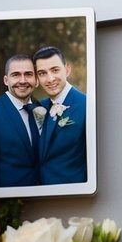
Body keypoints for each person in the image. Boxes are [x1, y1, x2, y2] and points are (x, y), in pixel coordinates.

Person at [33, 45, 88, 185]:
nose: (50, 79)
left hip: (74, 197)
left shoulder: (87, 105)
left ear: (67, 69)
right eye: (42, 73)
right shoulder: (37, 108)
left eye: (55, 70)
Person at [0, 53, 42, 188]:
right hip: (10, 197)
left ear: (36, 80)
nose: (23, 80)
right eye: (16, 75)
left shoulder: (44, 109)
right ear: (6, 80)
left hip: (45, 193)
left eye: (28, 74)